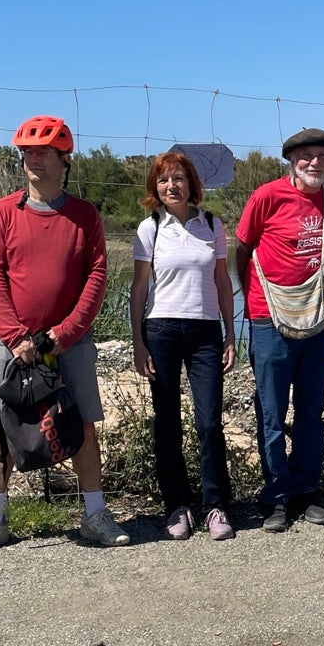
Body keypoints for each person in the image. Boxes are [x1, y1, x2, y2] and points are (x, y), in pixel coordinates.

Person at [0, 115, 129, 556]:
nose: (34, 160)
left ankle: (95, 515)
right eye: (28, 153)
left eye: (44, 153)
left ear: (64, 160)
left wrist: (63, 334)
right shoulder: (1, 213)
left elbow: (96, 277)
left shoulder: (84, 216)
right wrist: (17, 337)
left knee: (82, 425)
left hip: (68, 343)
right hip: (7, 342)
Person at [235, 128, 324, 533]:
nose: (314, 162)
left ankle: (305, 492)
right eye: (306, 155)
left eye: (323, 155)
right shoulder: (266, 196)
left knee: (311, 412)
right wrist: (254, 306)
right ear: (291, 159)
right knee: (270, 412)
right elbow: (242, 250)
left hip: (317, 322)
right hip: (269, 319)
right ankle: (275, 497)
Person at [130, 152, 236, 541]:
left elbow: (223, 281)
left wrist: (229, 333)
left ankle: (216, 505)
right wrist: (138, 341)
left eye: (177, 178)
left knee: (209, 422)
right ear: (154, 188)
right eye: (162, 180)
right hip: (161, 331)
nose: (170, 186)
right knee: (168, 422)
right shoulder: (150, 228)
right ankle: (177, 505)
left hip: (205, 331)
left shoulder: (212, 224)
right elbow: (139, 287)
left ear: (192, 184)